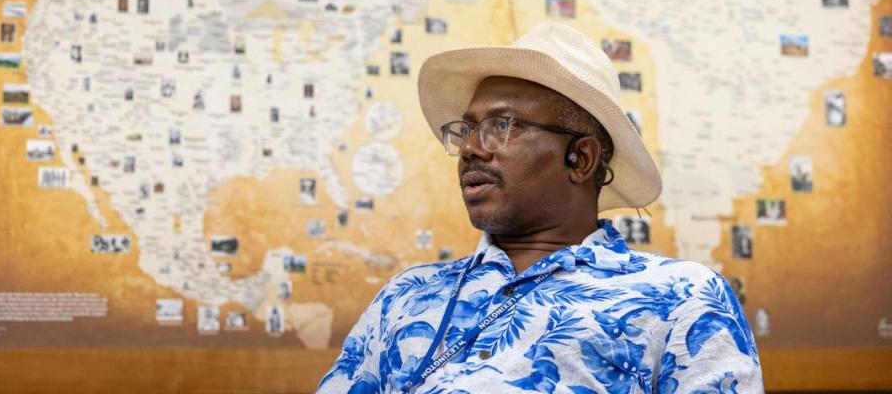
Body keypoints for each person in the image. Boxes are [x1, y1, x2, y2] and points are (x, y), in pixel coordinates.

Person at [317, 23, 762, 393]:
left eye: (502, 125)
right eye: (468, 129)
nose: (471, 147)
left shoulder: (682, 297)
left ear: (581, 159)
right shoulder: (407, 295)